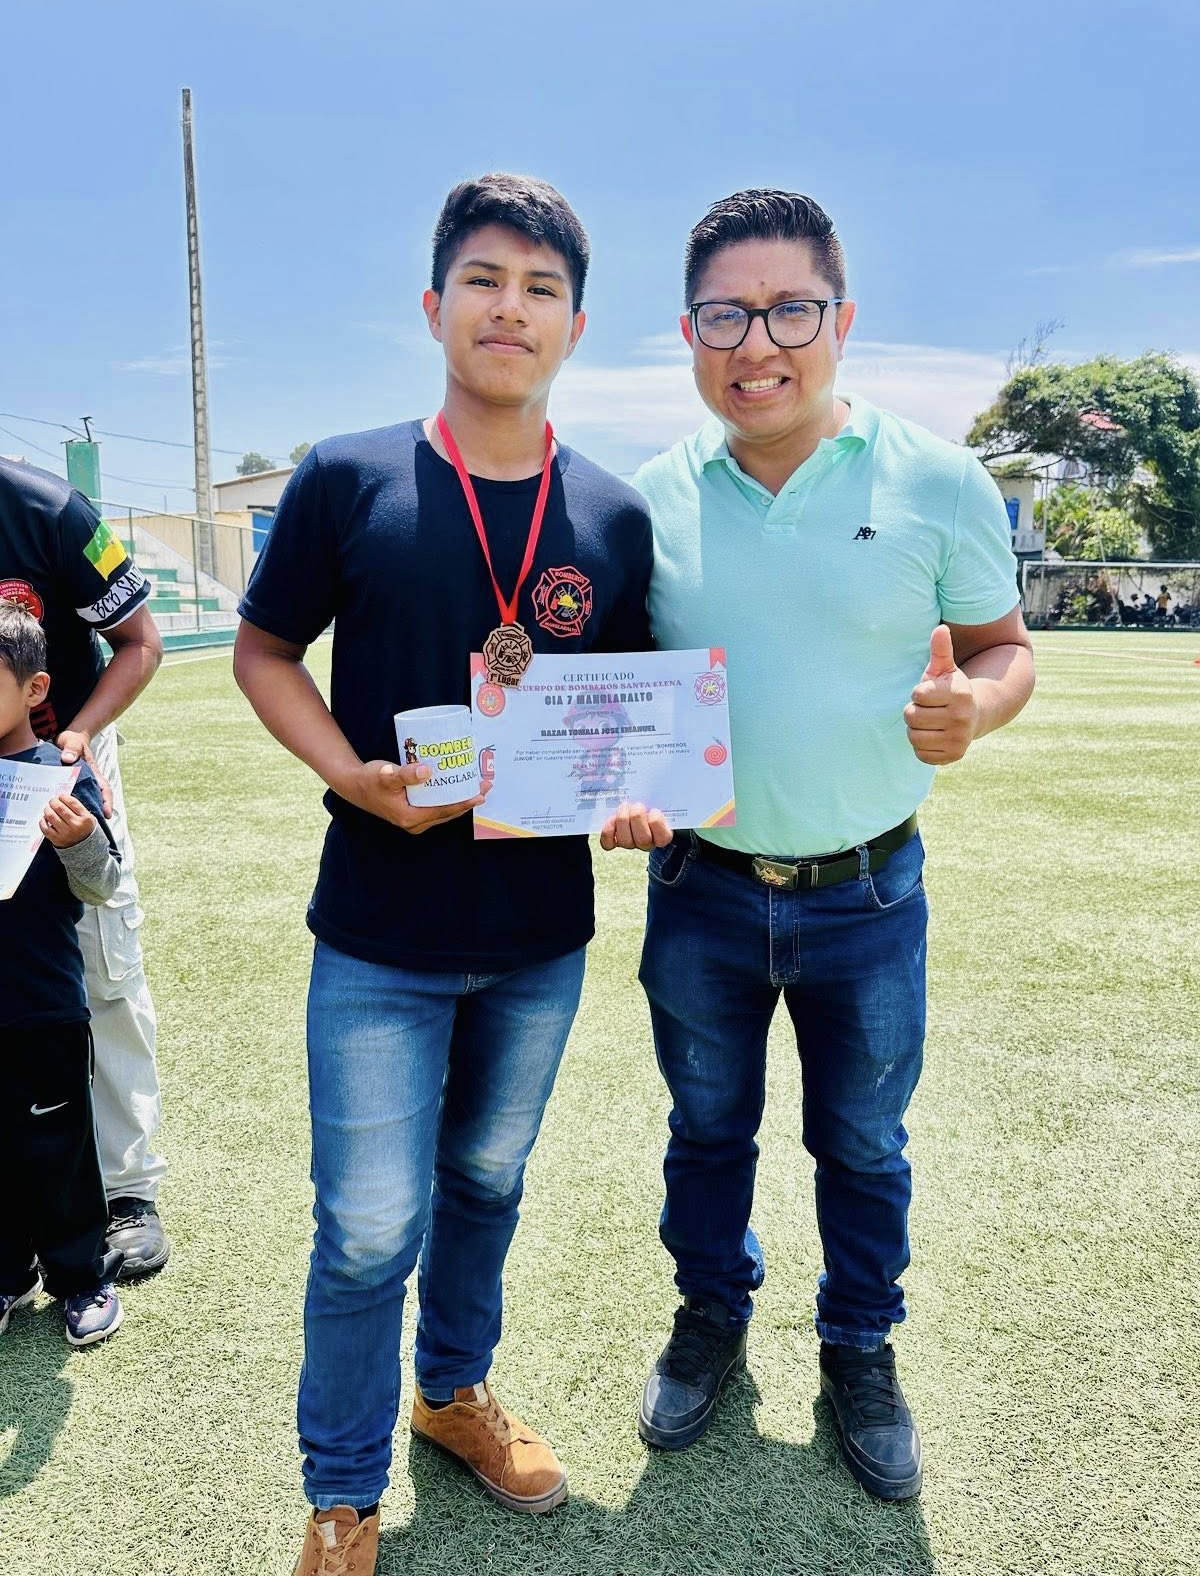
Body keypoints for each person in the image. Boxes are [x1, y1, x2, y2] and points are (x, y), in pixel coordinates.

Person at [234, 172, 664, 1575]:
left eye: (542, 289)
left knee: (487, 1181)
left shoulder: (613, 516)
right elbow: (265, 651)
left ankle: (452, 1391)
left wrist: (639, 798)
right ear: (434, 306)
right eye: (484, 279)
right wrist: (347, 774)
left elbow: (626, 714)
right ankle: (341, 1495)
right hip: (379, 927)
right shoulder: (347, 476)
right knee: (367, 1228)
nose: (510, 308)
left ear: (576, 327)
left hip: (540, 934)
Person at [626, 189, 1035, 1501]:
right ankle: (711, 1310)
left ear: (841, 320)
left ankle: (860, 1342)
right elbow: (617, 688)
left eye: (790, 310)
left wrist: (977, 707)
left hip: (869, 888)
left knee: (863, 1140)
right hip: (701, 888)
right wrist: (621, 784)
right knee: (707, 1129)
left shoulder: (939, 480)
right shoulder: (647, 502)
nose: (758, 344)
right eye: (725, 315)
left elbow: (1005, 647)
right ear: (689, 332)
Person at [0, 457, 169, 1279]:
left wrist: (79, 735)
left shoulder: (48, 509)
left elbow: (141, 643)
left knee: (99, 962)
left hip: (59, 760)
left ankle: (128, 1188)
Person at [0, 606, 124, 1346]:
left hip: (43, 1001)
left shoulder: (63, 775)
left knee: (59, 1148)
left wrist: (79, 842)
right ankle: (8, 1272)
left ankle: (80, 1276)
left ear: (34, 687)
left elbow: (102, 885)